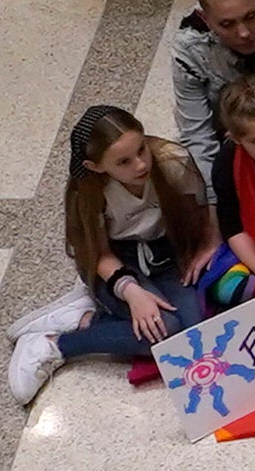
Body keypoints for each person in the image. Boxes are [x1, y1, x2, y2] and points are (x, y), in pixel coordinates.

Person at [18, 99, 229, 402]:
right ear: (96, 166)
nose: (141, 164)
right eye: (124, 162)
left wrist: (208, 241)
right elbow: (97, 253)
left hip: (167, 252)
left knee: (194, 336)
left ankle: (89, 319)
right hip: (116, 262)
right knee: (163, 330)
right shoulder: (88, 191)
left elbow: (199, 209)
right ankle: (56, 343)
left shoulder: (172, 160)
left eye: (141, 149)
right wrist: (131, 291)